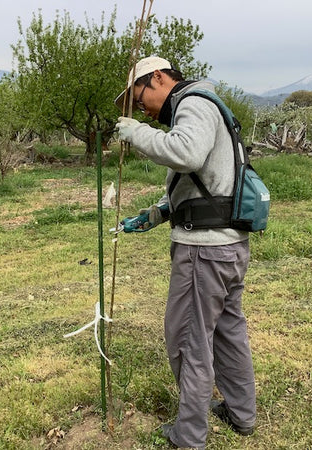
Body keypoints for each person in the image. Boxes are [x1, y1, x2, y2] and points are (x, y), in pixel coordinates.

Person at [114, 56, 257, 449]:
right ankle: (242, 413)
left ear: (158, 78)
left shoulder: (193, 102)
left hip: (204, 252)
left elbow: (187, 154)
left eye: (139, 97)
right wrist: (156, 214)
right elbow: (201, 181)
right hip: (227, 247)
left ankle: (189, 436)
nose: (139, 107)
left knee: (188, 339)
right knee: (228, 333)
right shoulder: (205, 104)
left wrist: (136, 133)